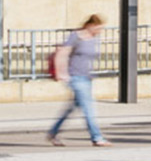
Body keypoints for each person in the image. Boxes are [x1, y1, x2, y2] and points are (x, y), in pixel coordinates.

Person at [46, 15, 110, 147]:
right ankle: (97, 137)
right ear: (90, 25)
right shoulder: (76, 36)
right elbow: (62, 54)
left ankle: (53, 132)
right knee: (88, 108)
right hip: (75, 77)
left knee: (72, 108)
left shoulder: (93, 39)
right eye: (98, 28)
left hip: (86, 78)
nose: (99, 31)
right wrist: (61, 73)